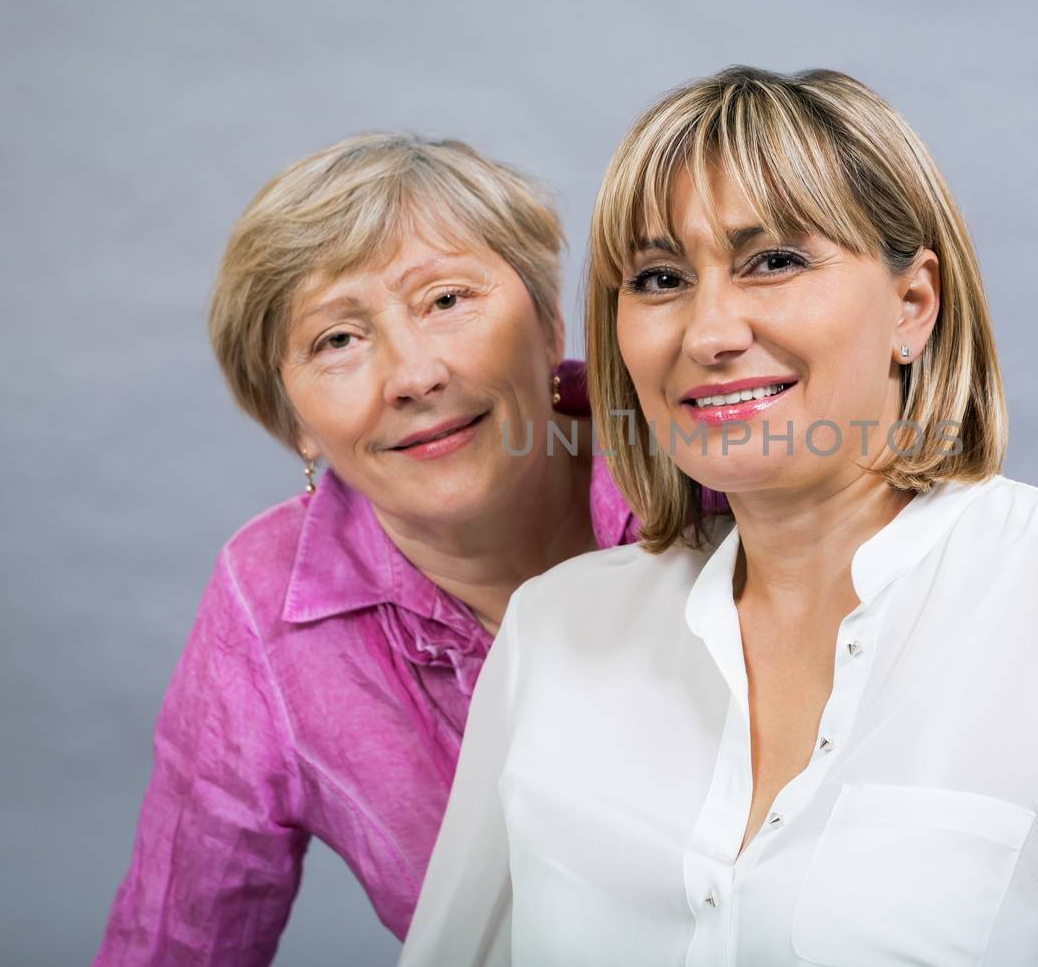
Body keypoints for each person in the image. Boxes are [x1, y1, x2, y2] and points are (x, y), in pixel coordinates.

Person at [401, 67, 1038, 965]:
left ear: (913, 306)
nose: (710, 331)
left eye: (773, 261)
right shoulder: (557, 630)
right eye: (658, 279)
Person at [94, 133, 638, 965]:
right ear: (296, 425)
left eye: (447, 299)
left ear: (550, 322)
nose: (412, 375)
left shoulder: (699, 465)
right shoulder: (268, 601)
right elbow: (177, 939)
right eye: (337, 340)